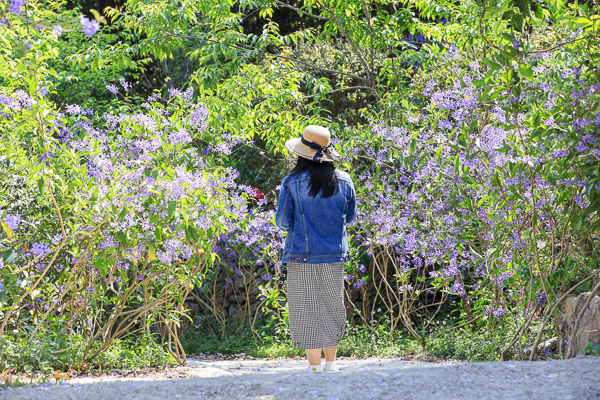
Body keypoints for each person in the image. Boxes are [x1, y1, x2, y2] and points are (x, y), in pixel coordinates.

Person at [275, 125, 356, 372]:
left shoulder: (291, 181)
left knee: (306, 311)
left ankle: (313, 370)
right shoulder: (344, 179)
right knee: (331, 307)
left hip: (301, 256)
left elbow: (282, 222)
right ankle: (331, 366)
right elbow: (350, 218)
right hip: (334, 256)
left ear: (301, 153)